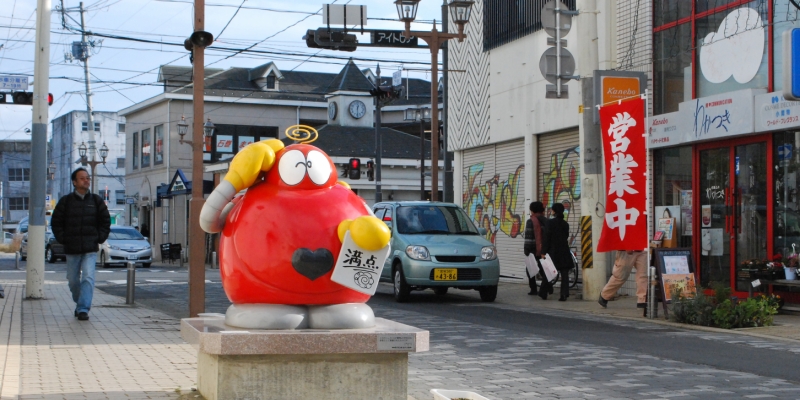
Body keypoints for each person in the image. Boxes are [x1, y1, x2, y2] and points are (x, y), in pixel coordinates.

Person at [51, 168, 111, 321]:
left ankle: (83, 309)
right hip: (72, 248)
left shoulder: (96, 201)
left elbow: (105, 221)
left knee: (88, 277)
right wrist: (64, 238)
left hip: (90, 248)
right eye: (82, 178)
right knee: (73, 280)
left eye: (88, 178)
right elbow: (56, 223)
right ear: (75, 182)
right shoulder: (66, 201)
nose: (86, 180)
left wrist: (100, 238)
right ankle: (80, 303)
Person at [543, 203, 572, 301]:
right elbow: (566, 237)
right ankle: (564, 294)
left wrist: (543, 251)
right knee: (564, 274)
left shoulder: (549, 223)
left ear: (554, 211)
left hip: (553, 251)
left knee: (549, 271)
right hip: (564, 251)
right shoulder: (565, 224)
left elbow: (546, 238)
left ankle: (544, 292)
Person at [523, 201, 548, 297]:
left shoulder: (531, 221)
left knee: (530, 269)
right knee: (543, 268)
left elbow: (529, 236)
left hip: (533, 248)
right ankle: (547, 286)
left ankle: (533, 289)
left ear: (532, 210)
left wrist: (527, 249)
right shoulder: (545, 220)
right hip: (544, 248)